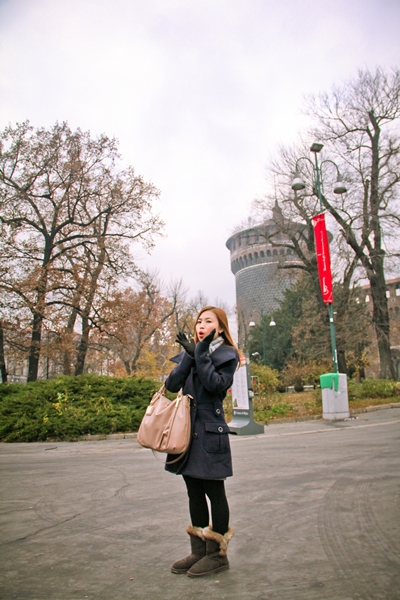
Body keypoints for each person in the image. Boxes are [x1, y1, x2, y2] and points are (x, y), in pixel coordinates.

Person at [164, 306, 239, 577]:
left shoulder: (227, 355)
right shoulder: (192, 352)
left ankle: (217, 555)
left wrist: (200, 354)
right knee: (193, 491)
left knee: (214, 492)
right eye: (199, 321)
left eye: (208, 321)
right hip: (187, 434)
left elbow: (215, 385)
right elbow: (172, 385)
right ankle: (198, 551)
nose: (201, 325)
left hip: (210, 433)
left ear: (220, 328)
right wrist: (189, 355)